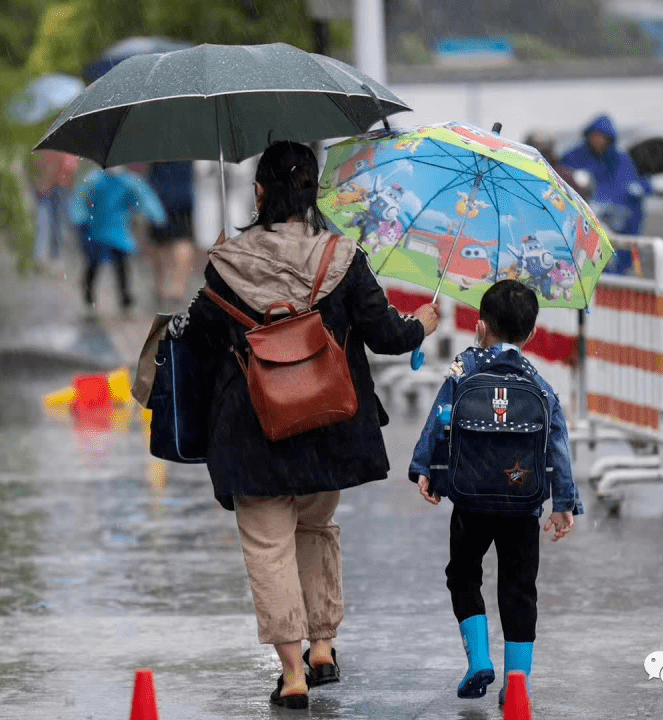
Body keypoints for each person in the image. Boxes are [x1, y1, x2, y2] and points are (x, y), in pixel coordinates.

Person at [178, 141, 440, 709]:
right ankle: (324, 645)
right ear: (314, 195)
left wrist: (218, 288)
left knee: (268, 545)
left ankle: (294, 673)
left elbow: (198, 339)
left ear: (261, 193)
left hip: (252, 434)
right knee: (316, 529)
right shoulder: (343, 257)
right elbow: (386, 335)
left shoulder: (227, 262)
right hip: (328, 426)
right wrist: (422, 324)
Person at [408, 280, 583, 705]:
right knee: (519, 587)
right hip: (523, 507)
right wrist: (564, 502)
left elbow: (440, 418)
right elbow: (557, 442)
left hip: (470, 501)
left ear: (480, 326)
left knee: (464, 575)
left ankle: (480, 659)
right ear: (532, 335)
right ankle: (518, 680)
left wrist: (423, 468)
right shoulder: (538, 384)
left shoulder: (463, 370)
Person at [562, 114, 650, 273]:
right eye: (596, 136)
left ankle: (623, 270)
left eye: (603, 137)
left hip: (616, 222)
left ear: (610, 139)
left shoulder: (620, 160)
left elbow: (630, 185)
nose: (599, 140)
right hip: (584, 220)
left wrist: (639, 190)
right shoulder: (574, 157)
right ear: (589, 135)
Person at [71, 166, 167, 313]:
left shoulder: (122, 181)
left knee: (116, 266)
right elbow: (80, 201)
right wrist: (79, 218)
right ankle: (92, 296)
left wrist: (155, 215)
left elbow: (143, 198)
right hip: (100, 230)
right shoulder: (95, 180)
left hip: (114, 231)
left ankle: (121, 297)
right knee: (96, 265)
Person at [148, 161, 196, 309]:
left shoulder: (154, 141)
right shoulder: (190, 143)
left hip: (160, 195)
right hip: (184, 195)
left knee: (159, 242)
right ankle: (179, 286)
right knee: (183, 239)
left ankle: (160, 283)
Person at [31, 150, 79, 265]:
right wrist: (45, 184)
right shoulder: (54, 152)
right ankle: (47, 253)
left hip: (59, 188)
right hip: (53, 187)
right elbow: (54, 168)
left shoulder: (66, 154)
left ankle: (52, 253)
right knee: (50, 221)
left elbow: (69, 171)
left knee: (55, 221)